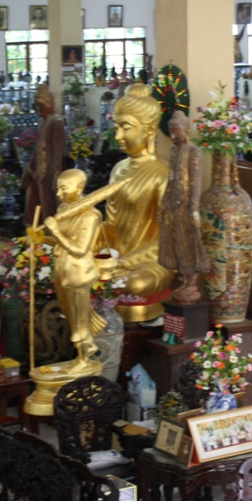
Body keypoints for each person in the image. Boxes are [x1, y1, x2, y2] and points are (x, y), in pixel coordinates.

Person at [98, 84, 175, 322]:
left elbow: (166, 239)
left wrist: (121, 263)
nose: (118, 136)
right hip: (116, 258)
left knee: (137, 282)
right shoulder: (118, 169)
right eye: (116, 127)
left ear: (149, 131)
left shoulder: (162, 174)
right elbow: (110, 226)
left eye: (126, 127)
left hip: (149, 263)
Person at [44, 169, 108, 374]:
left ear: (79, 188)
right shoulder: (64, 209)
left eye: (63, 188)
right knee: (69, 314)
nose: (58, 194)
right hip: (63, 270)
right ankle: (81, 354)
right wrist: (42, 239)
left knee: (80, 318)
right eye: (58, 189)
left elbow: (80, 249)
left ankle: (85, 356)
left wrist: (55, 231)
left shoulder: (90, 216)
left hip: (78, 274)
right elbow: (61, 241)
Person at [158, 111, 210, 304]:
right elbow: (170, 180)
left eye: (176, 131)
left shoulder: (193, 151)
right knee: (179, 243)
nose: (173, 136)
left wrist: (195, 210)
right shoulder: (174, 152)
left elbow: (196, 182)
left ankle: (192, 283)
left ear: (186, 130)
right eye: (171, 132)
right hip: (175, 207)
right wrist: (164, 203)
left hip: (188, 206)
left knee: (191, 243)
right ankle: (185, 280)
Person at [22, 85, 64, 224]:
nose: (37, 109)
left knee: (49, 209)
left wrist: (55, 177)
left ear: (48, 104)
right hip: (37, 174)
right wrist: (29, 171)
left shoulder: (56, 122)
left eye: (40, 105)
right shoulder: (41, 123)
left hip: (49, 175)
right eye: (36, 105)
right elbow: (37, 150)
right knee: (33, 209)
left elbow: (57, 152)